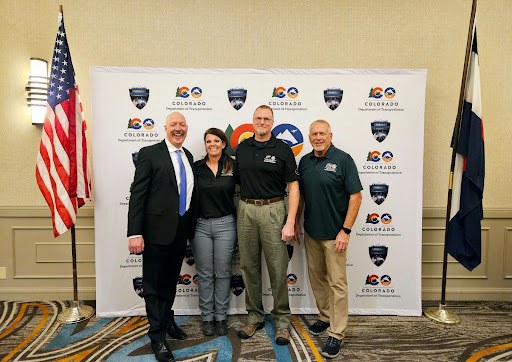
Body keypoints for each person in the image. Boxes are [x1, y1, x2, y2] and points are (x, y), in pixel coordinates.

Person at [127, 112, 195, 362]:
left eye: (182, 125)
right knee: (154, 287)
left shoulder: (187, 156)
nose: (178, 129)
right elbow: (138, 195)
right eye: (174, 125)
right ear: (164, 128)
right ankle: (156, 336)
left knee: (168, 283)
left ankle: (167, 321)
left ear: (187, 129)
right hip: (155, 233)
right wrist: (135, 232)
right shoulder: (149, 153)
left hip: (179, 232)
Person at [234, 105, 299, 345]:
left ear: (272, 122)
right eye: (258, 118)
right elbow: (239, 180)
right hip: (247, 209)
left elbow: (293, 187)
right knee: (249, 266)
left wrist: (290, 220)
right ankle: (254, 316)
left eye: (267, 119)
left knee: (277, 268)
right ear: (253, 121)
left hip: (274, 209)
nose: (262, 122)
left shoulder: (283, 149)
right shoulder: (242, 148)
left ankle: (282, 321)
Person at [297, 119, 362, 359]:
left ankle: (337, 332)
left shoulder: (343, 160)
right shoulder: (304, 162)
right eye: (314, 133)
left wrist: (345, 230)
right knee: (318, 280)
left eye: (322, 133)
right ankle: (325, 316)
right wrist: (296, 222)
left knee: (337, 284)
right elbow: (301, 195)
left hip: (335, 236)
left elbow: (356, 197)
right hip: (312, 233)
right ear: (310, 136)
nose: (318, 137)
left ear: (330, 135)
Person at [191, 128, 237, 337]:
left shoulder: (233, 166)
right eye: (208, 141)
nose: (212, 145)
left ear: (224, 143)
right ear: (205, 145)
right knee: (205, 274)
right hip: (200, 226)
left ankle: (221, 317)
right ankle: (207, 317)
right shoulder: (196, 168)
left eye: (216, 141)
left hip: (226, 224)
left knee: (223, 272)